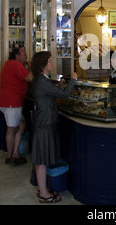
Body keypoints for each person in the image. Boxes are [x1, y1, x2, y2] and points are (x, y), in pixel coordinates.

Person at [30, 51, 77, 203]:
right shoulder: (42, 81)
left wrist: (60, 83)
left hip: (43, 122)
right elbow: (64, 95)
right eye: (50, 61)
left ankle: (42, 188)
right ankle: (44, 194)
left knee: (41, 158)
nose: (52, 63)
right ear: (43, 65)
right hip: (44, 123)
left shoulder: (42, 79)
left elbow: (51, 90)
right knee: (42, 159)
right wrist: (73, 80)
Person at [0, 47, 33, 165]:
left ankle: (14, 154)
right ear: (17, 56)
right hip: (12, 102)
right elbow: (30, 78)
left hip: (7, 101)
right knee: (12, 129)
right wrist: (31, 67)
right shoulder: (16, 65)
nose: (26, 57)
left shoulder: (9, 64)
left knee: (21, 125)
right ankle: (10, 156)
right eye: (24, 54)